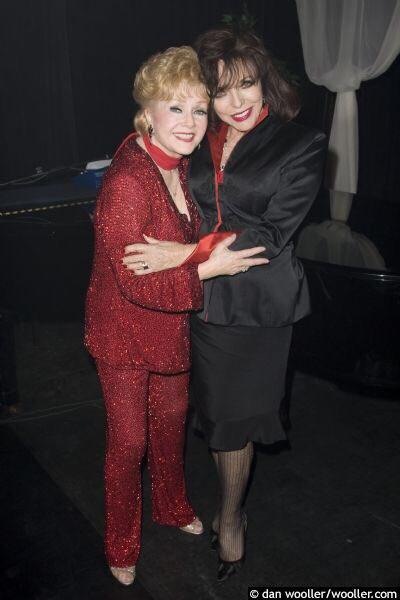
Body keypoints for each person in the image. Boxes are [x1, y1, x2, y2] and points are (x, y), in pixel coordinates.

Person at [123, 28, 326, 582]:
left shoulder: (301, 144)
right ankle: (225, 502)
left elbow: (270, 232)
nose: (237, 103)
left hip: (256, 307)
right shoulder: (200, 135)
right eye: (221, 91)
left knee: (234, 423)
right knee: (215, 419)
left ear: (265, 82)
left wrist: (183, 252)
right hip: (195, 300)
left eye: (247, 85)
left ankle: (232, 516)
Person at [84, 45, 267, 587]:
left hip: (169, 332)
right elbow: (135, 282)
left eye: (198, 109)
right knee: (129, 443)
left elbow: (182, 241)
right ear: (148, 114)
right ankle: (121, 542)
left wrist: (189, 253)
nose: (189, 123)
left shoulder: (178, 164)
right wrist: (209, 268)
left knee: (169, 428)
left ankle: (170, 505)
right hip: (122, 332)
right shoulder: (125, 183)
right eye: (175, 108)